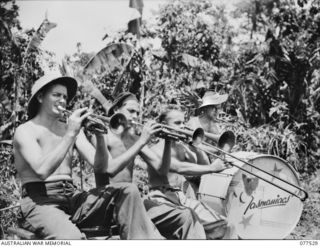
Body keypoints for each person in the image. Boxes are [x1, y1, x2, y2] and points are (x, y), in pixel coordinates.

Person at [13, 74, 162, 240]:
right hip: (39, 201)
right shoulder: (26, 130)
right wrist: (71, 133)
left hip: (71, 197)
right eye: (56, 95)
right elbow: (42, 170)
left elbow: (100, 167)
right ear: (40, 97)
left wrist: (99, 136)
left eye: (65, 97)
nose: (63, 100)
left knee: (128, 191)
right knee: (73, 238)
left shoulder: (68, 128)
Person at [91, 92, 206, 239]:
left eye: (137, 112)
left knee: (186, 215)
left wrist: (168, 140)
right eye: (131, 111)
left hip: (130, 200)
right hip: (108, 203)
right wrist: (141, 141)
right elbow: (110, 169)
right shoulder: (101, 135)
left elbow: (162, 170)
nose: (135, 116)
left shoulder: (133, 138)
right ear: (116, 111)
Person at [149, 105, 229, 239]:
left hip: (181, 197)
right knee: (192, 223)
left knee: (223, 225)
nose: (182, 126)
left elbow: (203, 165)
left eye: (183, 122)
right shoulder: (156, 149)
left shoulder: (182, 148)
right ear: (164, 124)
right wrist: (212, 168)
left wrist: (196, 146)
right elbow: (179, 167)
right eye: (177, 123)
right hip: (162, 198)